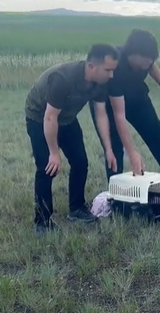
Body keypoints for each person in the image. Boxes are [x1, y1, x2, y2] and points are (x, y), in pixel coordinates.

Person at [88, 29, 160, 199]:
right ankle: (117, 194)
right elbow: (119, 115)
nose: (149, 62)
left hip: (136, 97)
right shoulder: (116, 67)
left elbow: (152, 67)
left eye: (151, 59)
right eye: (146, 59)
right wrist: (132, 151)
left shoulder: (146, 60)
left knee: (156, 134)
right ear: (132, 54)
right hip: (108, 105)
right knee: (114, 147)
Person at [24, 43, 125, 234]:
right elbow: (50, 117)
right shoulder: (63, 78)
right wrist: (54, 152)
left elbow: (101, 114)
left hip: (67, 118)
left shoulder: (99, 82)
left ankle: (76, 209)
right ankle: (42, 223)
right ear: (92, 66)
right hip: (39, 117)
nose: (111, 75)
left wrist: (109, 149)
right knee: (47, 168)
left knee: (80, 162)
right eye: (108, 70)